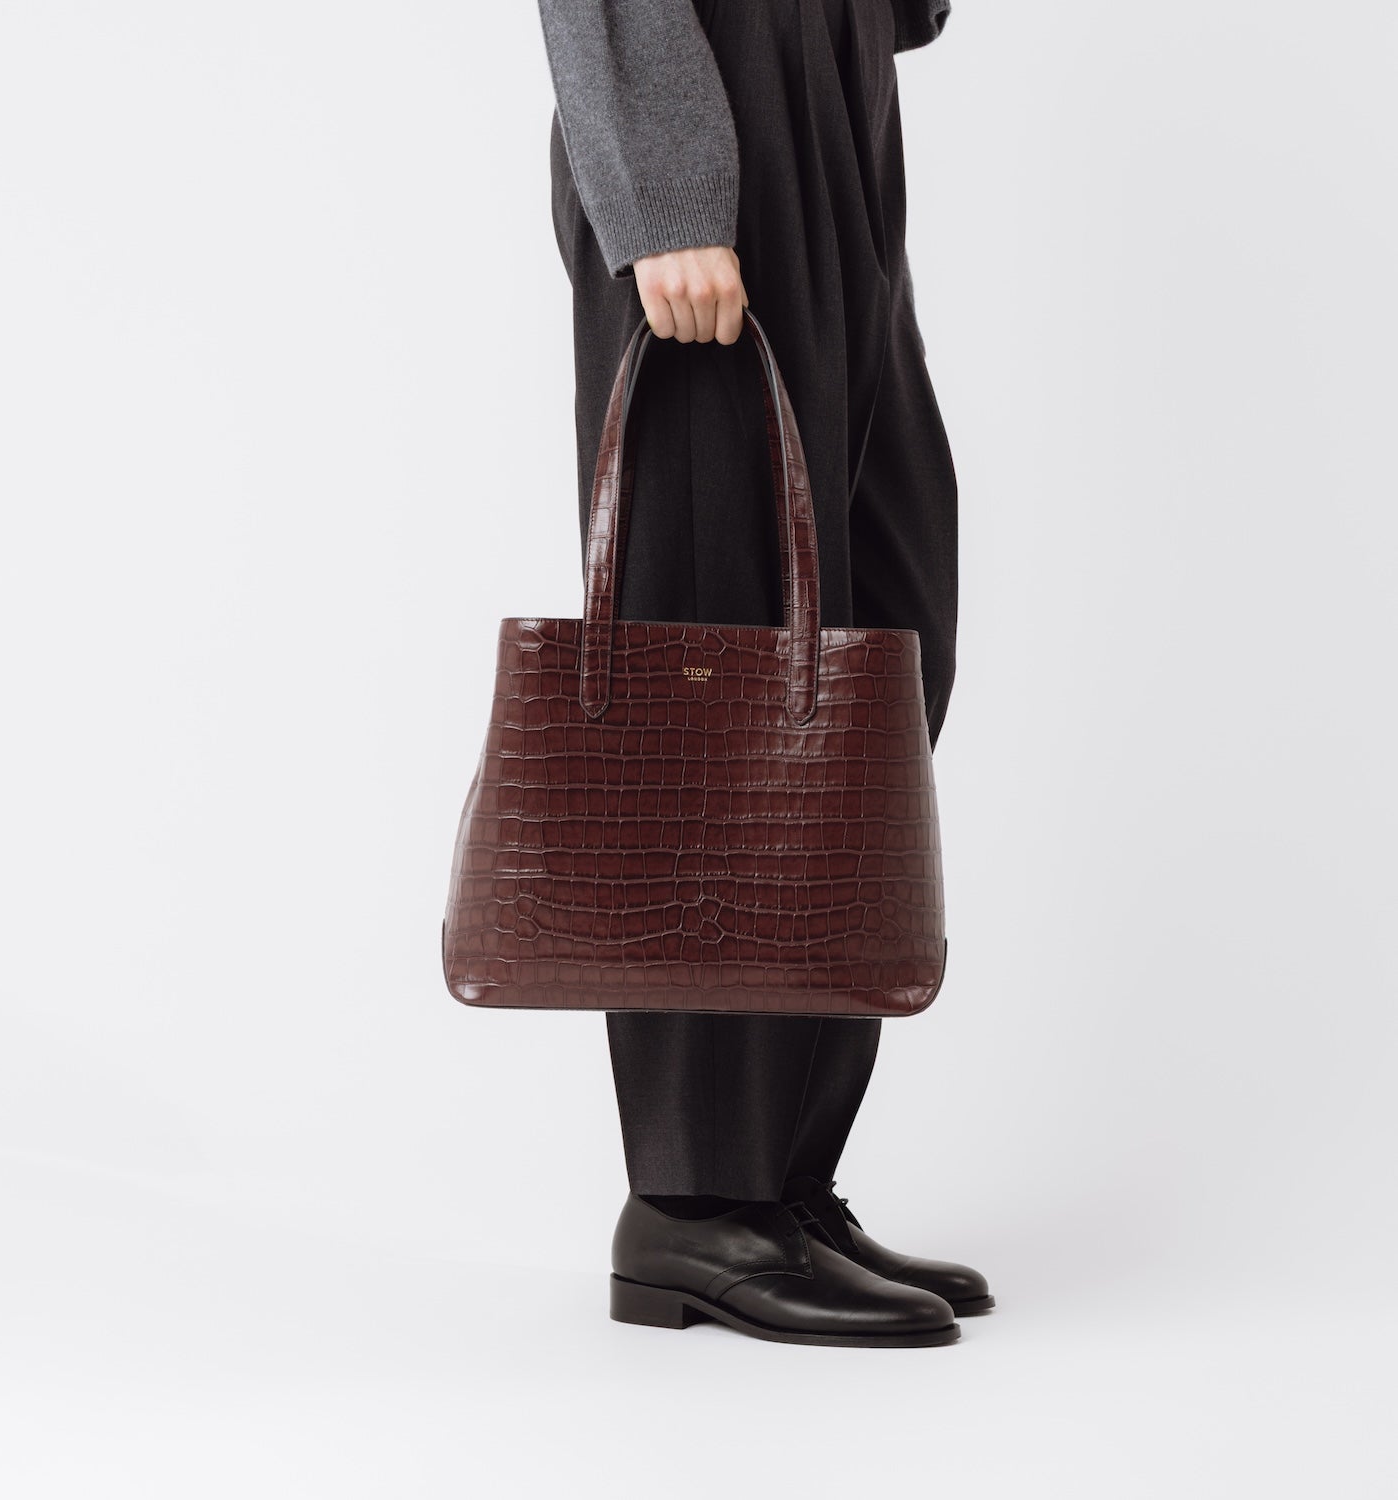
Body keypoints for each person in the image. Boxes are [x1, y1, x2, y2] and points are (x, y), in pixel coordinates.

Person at [538, 0, 991, 1347]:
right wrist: (668, 191)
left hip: (835, 101)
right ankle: (693, 1203)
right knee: (716, 666)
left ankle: (787, 1178)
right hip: (709, 107)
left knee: (876, 645)